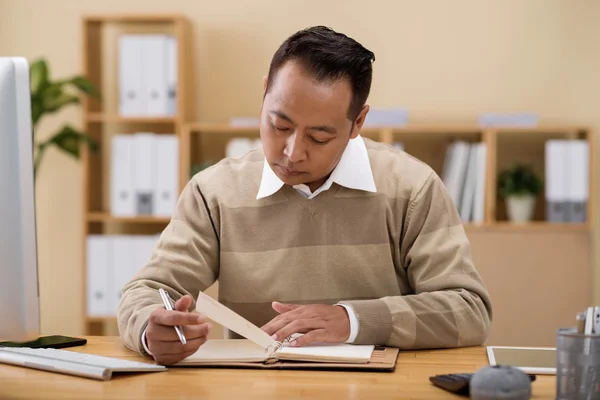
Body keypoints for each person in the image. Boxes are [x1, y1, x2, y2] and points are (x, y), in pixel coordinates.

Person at [118, 25, 493, 365]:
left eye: (319, 137)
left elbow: (468, 310)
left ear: (357, 123)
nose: (292, 152)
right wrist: (151, 332)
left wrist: (353, 320)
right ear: (264, 91)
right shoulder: (214, 192)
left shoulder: (411, 189)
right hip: (257, 388)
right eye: (279, 125)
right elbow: (148, 289)